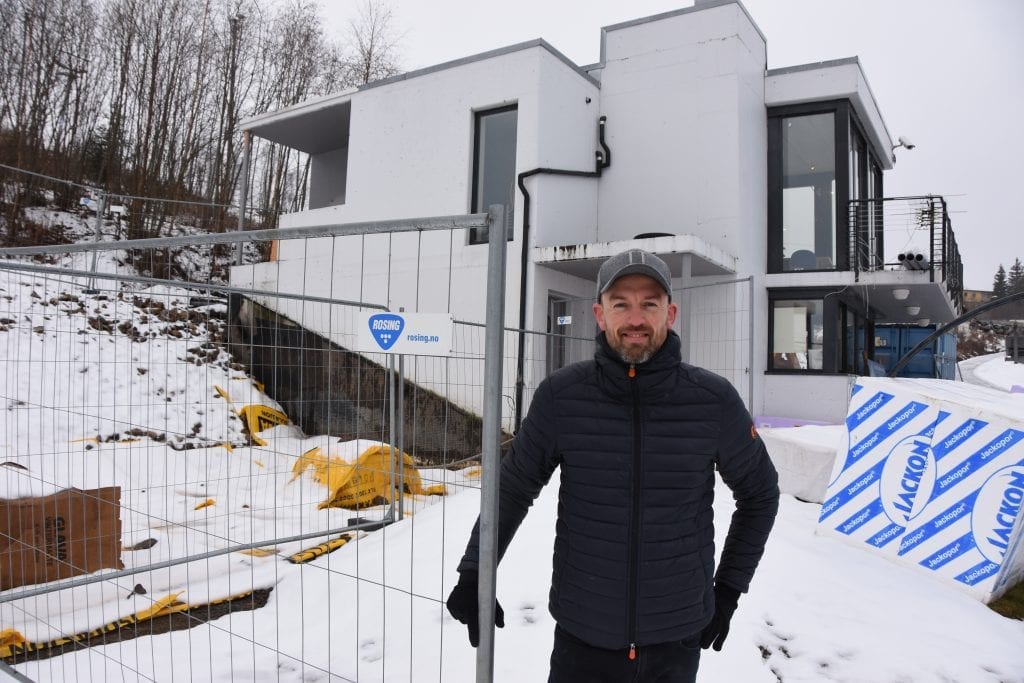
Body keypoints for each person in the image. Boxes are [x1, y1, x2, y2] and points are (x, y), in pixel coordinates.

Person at [446, 248, 779, 682]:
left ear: (670, 313)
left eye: (649, 304)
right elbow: (513, 488)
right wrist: (476, 571)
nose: (635, 318)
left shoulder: (712, 401)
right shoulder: (562, 397)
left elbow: (760, 494)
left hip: (674, 640)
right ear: (600, 314)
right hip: (584, 633)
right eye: (621, 304)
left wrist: (729, 589)